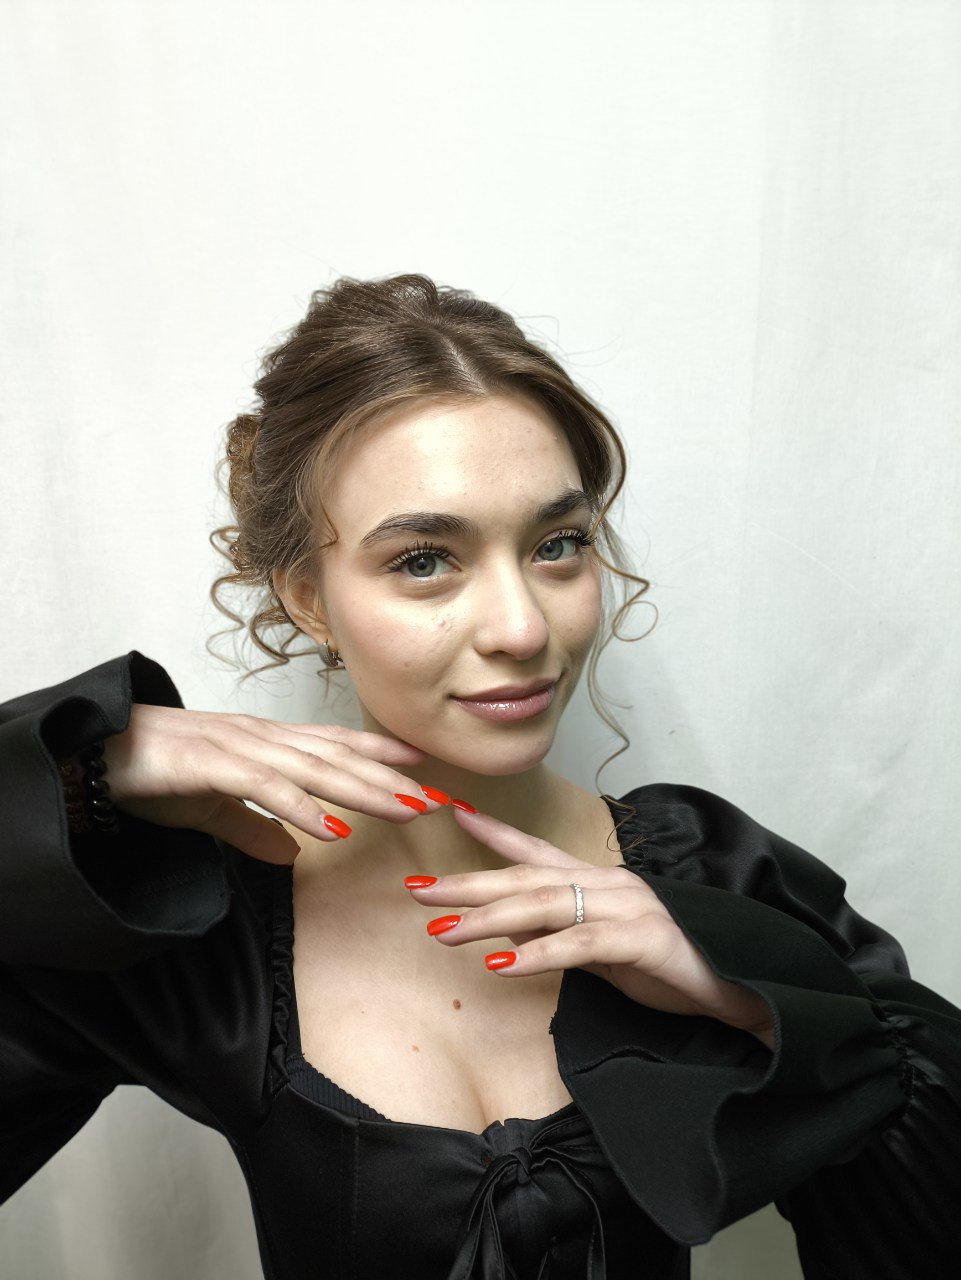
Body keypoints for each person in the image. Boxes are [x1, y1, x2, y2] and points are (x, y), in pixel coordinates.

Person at [1, 275, 958, 1280]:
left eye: (557, 545)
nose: (521, 627)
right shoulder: (205, 935)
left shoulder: (716, 874)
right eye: (424, 559)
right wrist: (79, 776)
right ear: (308, 599)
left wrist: (751, 1000)